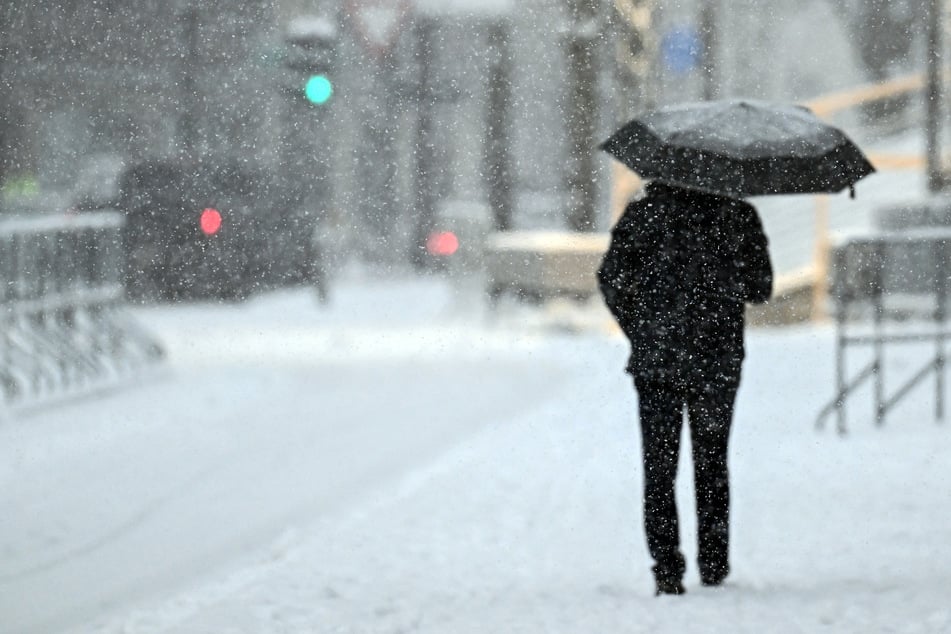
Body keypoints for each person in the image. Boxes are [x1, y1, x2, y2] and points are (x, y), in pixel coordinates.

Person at [597, 180, 773, 596]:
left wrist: (641, 329)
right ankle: (713, 563)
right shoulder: (738, 214)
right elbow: (761, 289)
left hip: (657, 362)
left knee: (659, 467)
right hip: (718, 359)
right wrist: (724, 277)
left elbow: (611, 279)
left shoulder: (644, 213)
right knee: (712, 461)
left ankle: (667, 568)